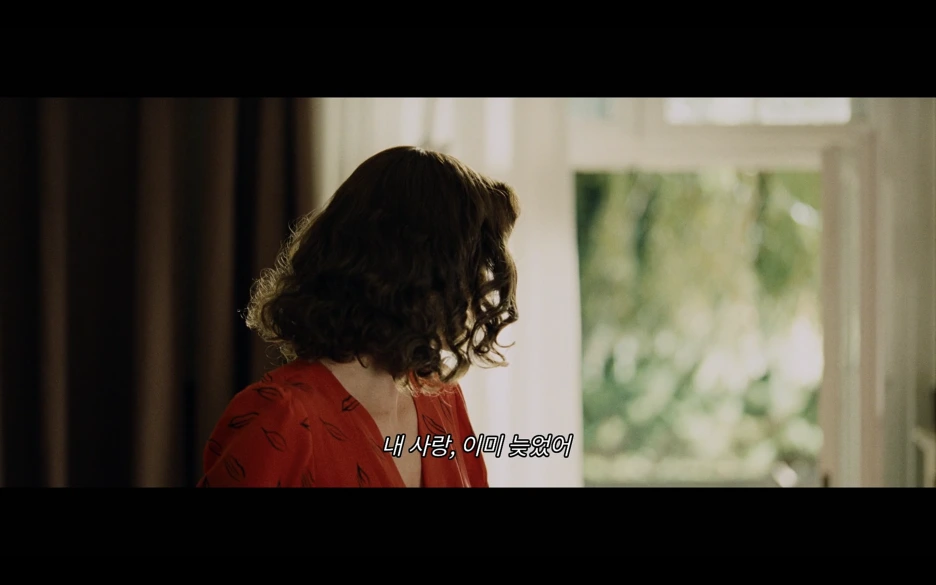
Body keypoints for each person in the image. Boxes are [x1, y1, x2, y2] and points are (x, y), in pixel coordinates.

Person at [197, 146, 520, 487]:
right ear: (418, 273)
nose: (473, 296)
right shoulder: (282, 416)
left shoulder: (442, 399)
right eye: (468, 272)